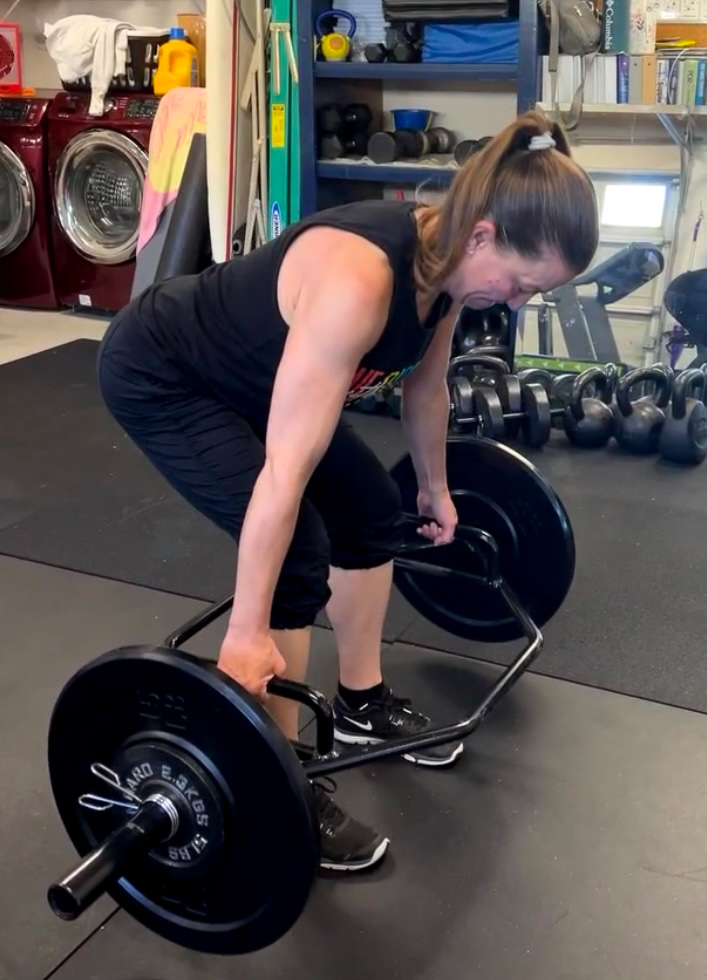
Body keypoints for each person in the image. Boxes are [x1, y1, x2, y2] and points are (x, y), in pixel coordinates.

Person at [97, 109, 599, 875]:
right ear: (484, 236)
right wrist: (246, 630)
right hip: (167, 376)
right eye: (523, 284)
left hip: (260, 381)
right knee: (298, 553)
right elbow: (285, 473)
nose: (518, 302)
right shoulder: (359, 280)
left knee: (373, 515)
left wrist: (434, 488)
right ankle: (277, 775)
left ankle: (359, 704)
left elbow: (425, 390)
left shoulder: (449, 267)